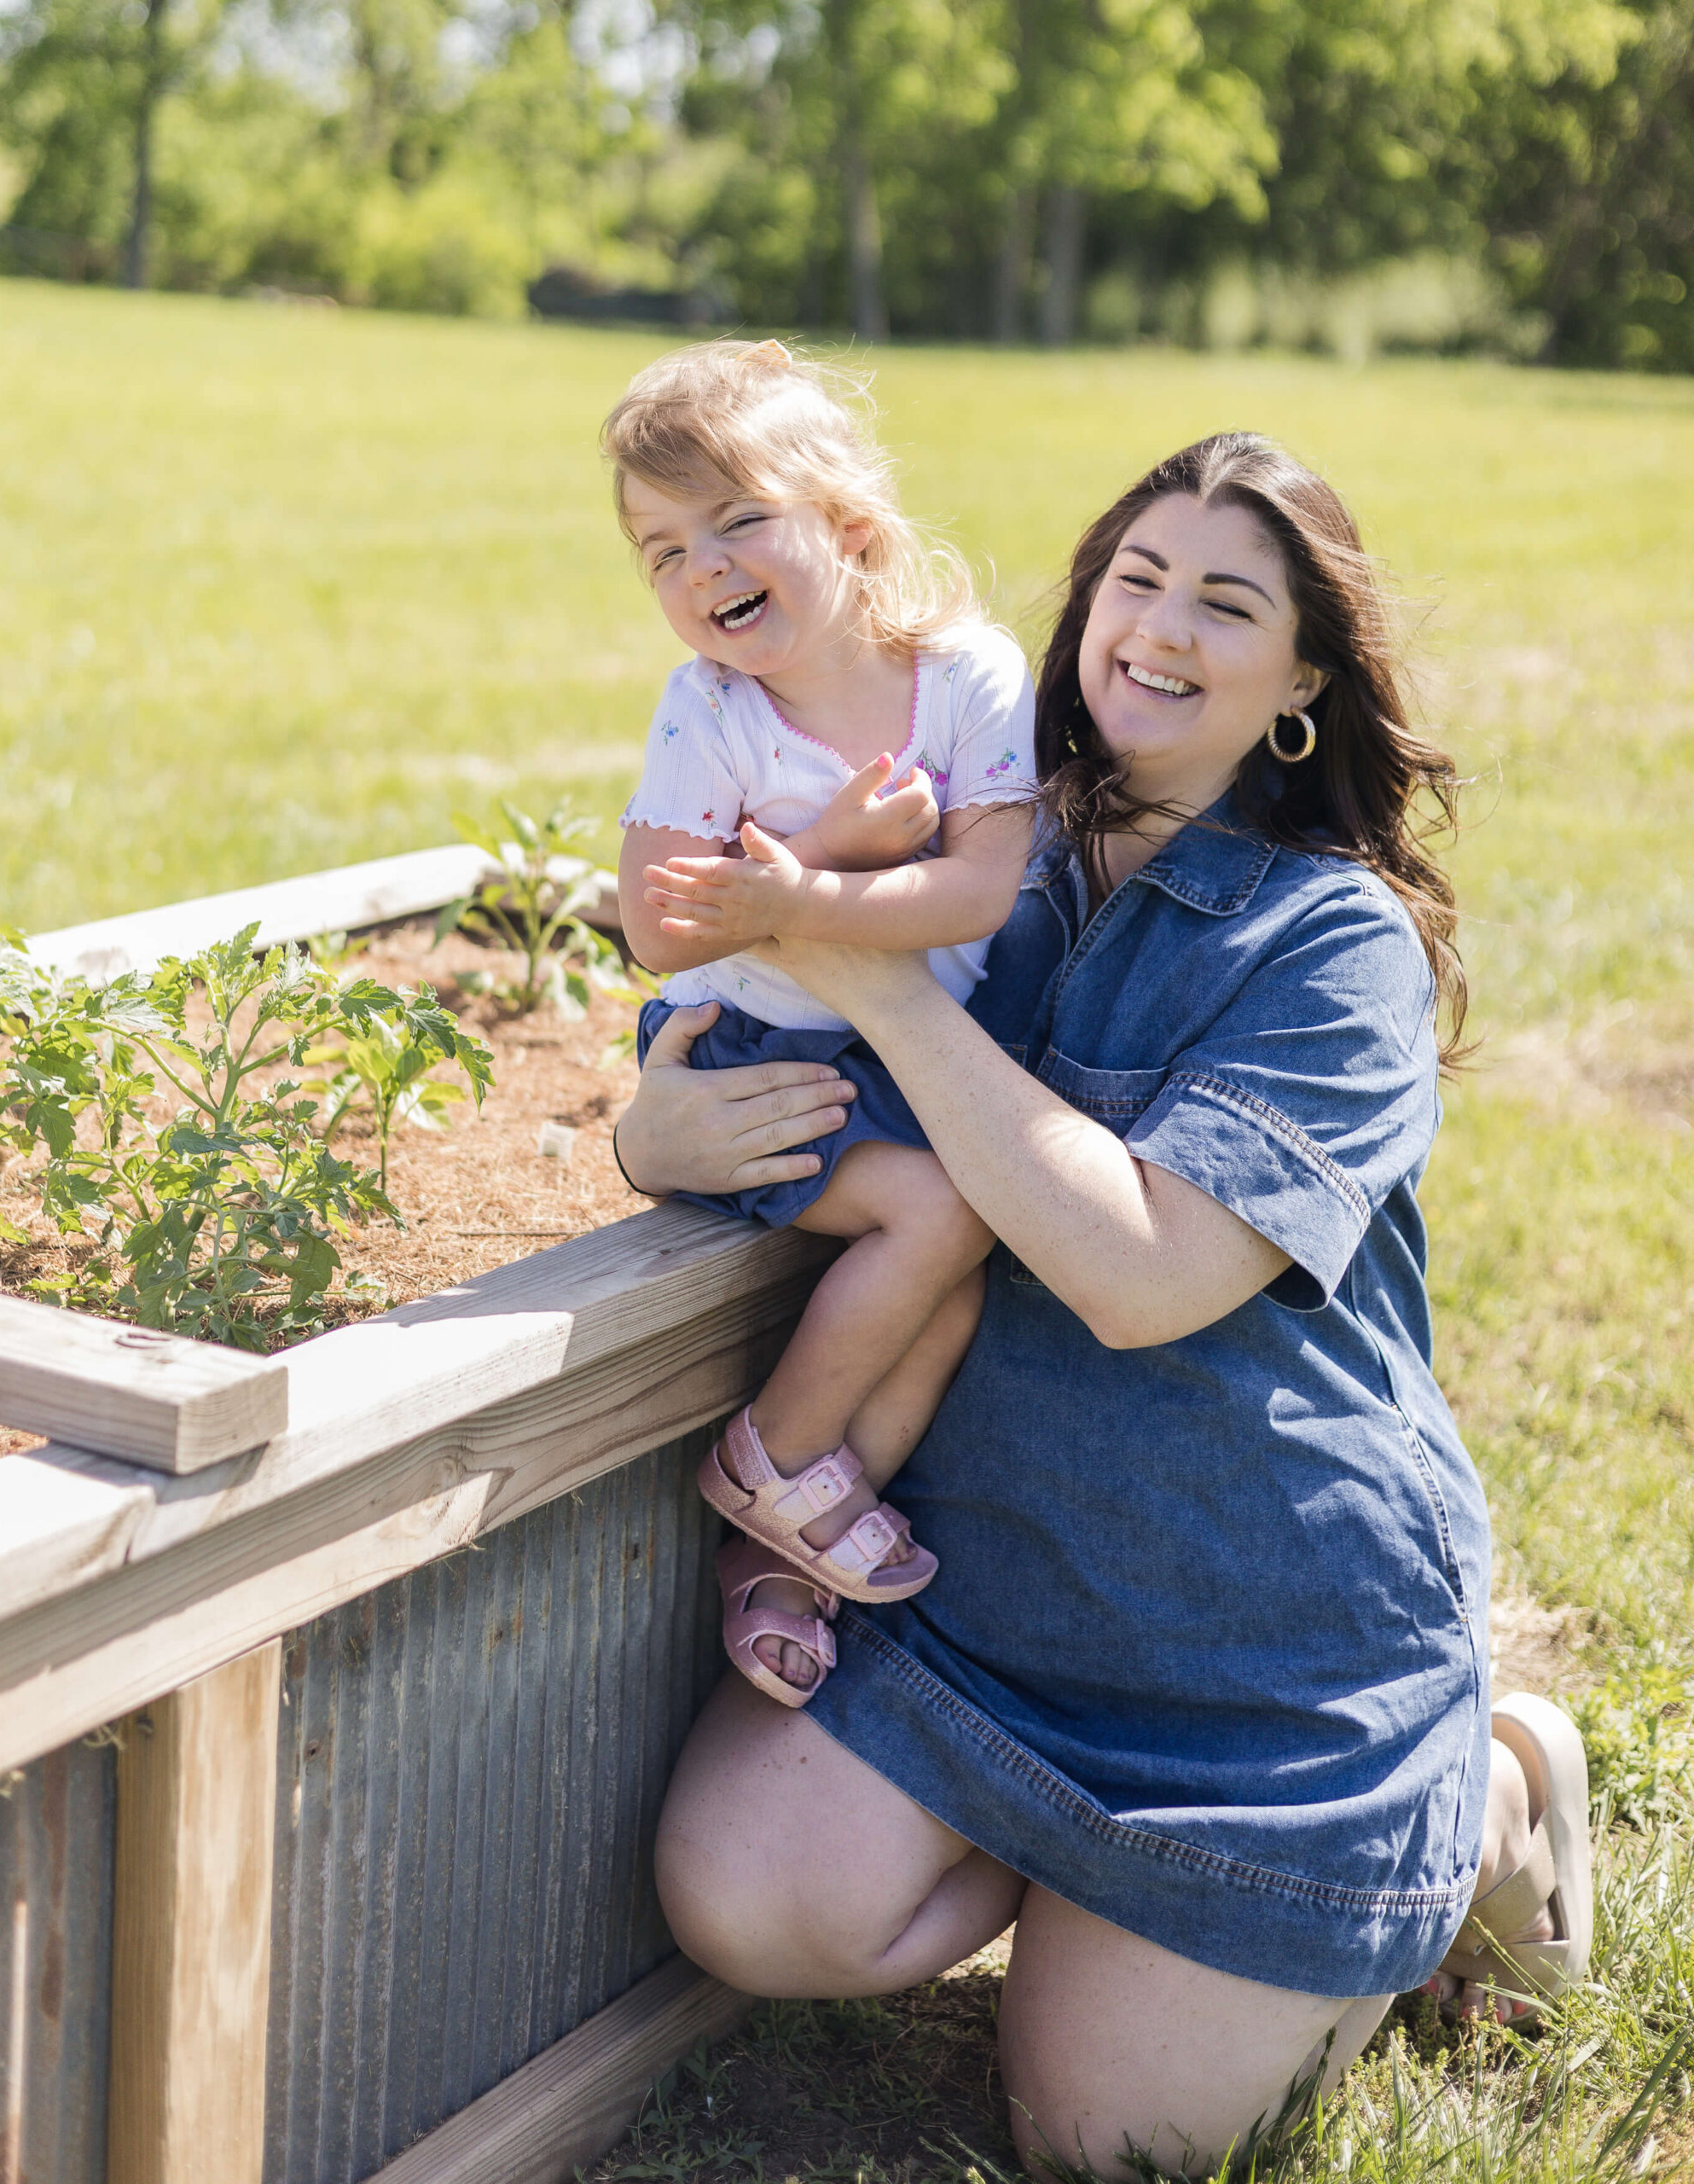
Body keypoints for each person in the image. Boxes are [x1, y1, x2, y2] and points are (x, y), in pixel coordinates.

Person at [612, 433, 1594, 2176]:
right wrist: (657, 1121)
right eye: (1135, 578)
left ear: (1301, 680)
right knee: (746, 1898)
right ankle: (1075, 1873)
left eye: (1225, 602)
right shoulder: (989, 839)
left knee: (1105, 2136)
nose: (1157, 626)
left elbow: (1140, 1273)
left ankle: (1498, 1778)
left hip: (1257, 1632)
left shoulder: (1325, 940)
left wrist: (889, 984)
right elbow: (744, 990)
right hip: (988, 1583)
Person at [605, 338, 1036, 1704]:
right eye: (662, 550)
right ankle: (771, 1463)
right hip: (749, 1056)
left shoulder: (965, 675)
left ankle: (781, 1552)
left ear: (851, 530)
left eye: (737, 522)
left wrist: (797, 888)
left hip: (902, 1047)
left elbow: (980, 887)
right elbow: (659, 928)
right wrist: (826, 862)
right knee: (942, 1223)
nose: (701, 570)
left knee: (956, 1294)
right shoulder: (713, 706)